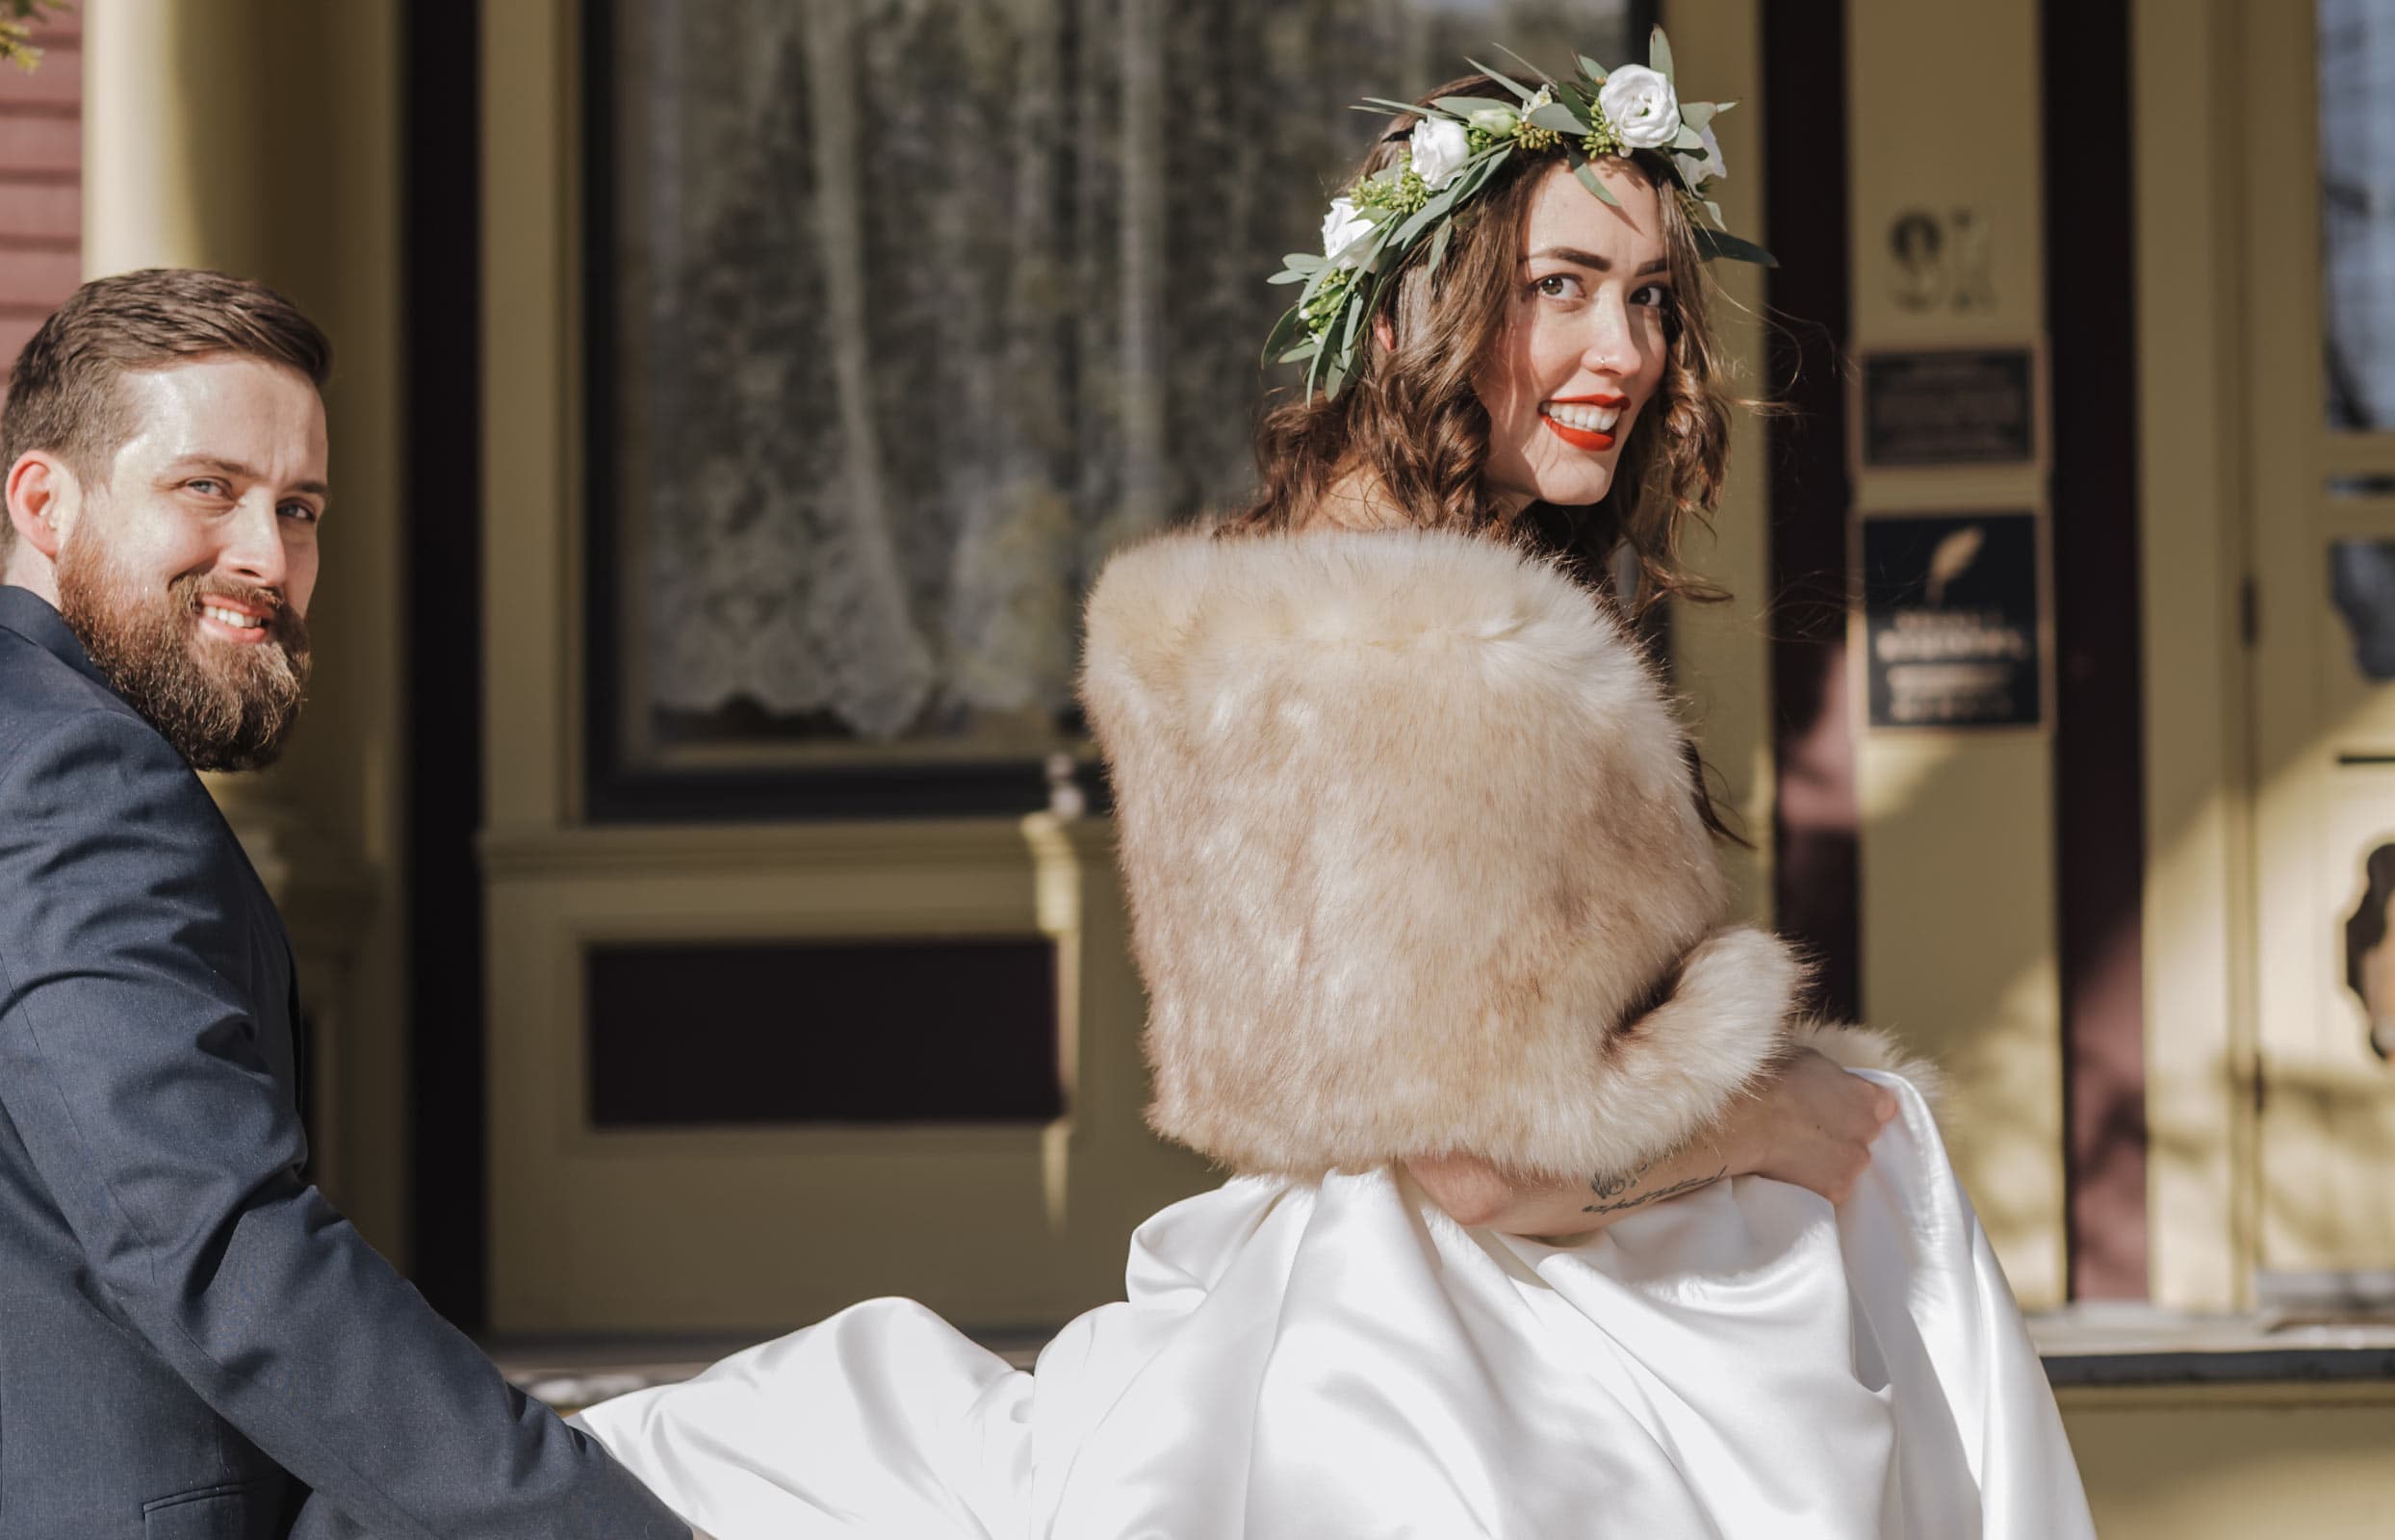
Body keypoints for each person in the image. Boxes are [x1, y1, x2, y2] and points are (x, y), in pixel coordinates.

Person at [576, 36, 2095, 1538]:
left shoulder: (1273, 605)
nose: (1624, 353)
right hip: (1462, 1357)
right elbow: (1485, 1167)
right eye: (1556, 286)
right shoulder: (1436, 646)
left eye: (1645, 299)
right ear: (1414, 313)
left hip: (1316, 1278)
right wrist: (1800, 1124)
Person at [0, 270, 693, 1539]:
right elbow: (219, 1256)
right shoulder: (81, 781)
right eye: (206, 489)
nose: (268, 556)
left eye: (301, 508)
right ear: (44, 501)